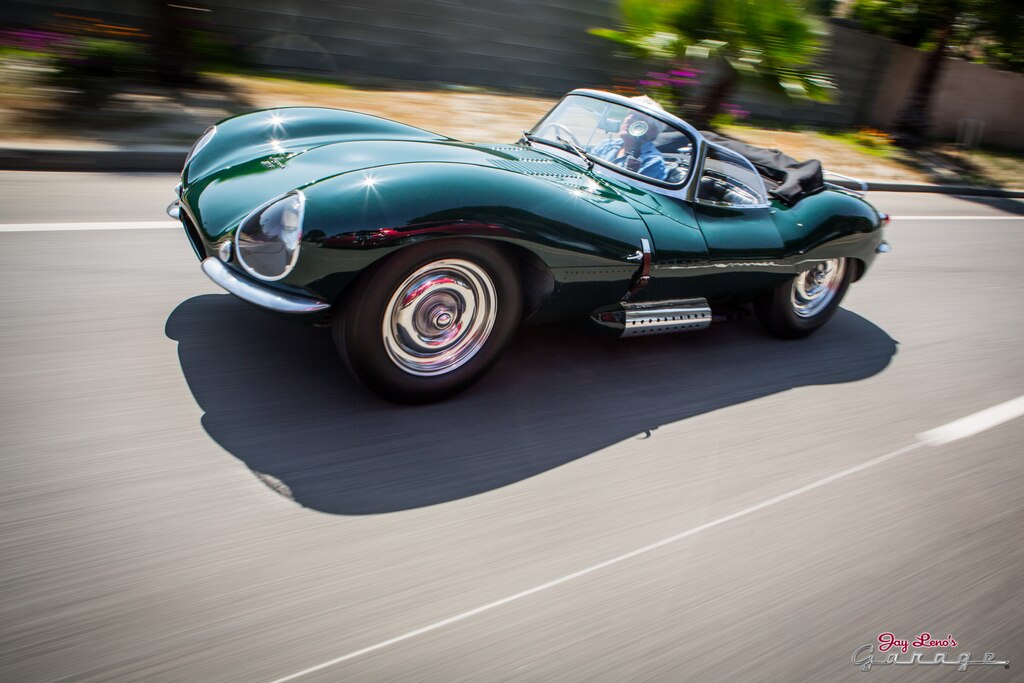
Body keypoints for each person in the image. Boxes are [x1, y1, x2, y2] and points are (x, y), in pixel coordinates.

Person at [590, 96, 668, 181]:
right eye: (629, 114)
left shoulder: (653, 162)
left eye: (638, 117)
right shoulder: (606, 145)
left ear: (652, 130)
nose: (629, 119)